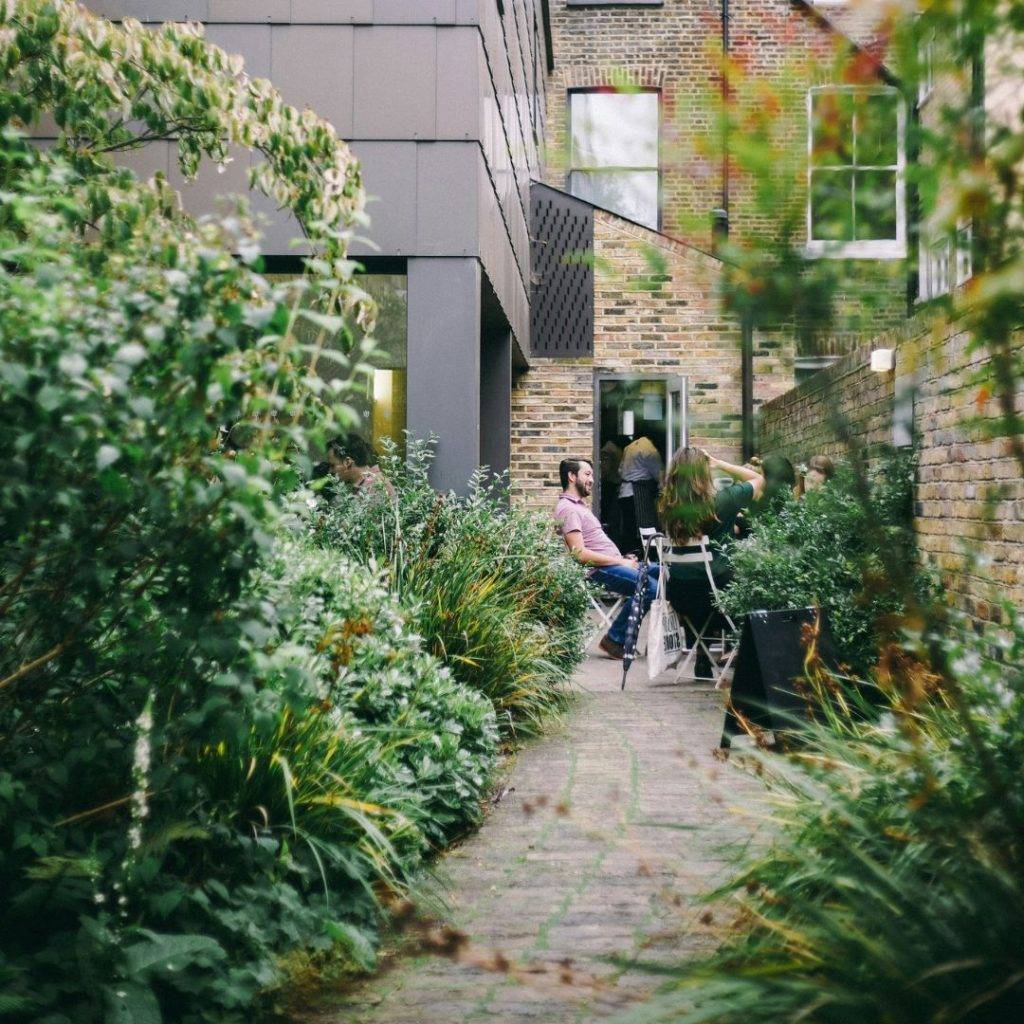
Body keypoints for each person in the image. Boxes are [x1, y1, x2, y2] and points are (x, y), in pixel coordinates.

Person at [657, 447, 764, 678]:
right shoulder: (723, 500)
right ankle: (748, 658)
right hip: (717, 595)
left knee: (699, 579)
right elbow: (758, 479)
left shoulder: (668, 508)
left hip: (680, 597)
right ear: (703, 472)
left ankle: (703, 657)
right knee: (748, 587)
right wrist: (719, 463)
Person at [554, 457, 660, 661]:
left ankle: (670, 643)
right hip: (597, 570)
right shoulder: (567, 508)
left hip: (612, 564)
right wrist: (621, 562)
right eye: (587, 474)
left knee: (667, 572)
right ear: (571, 476)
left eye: (592, 475)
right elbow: (579, 554)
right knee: (650, 586)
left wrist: (622, 558)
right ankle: (615, 639)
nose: (592, 479)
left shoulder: (581, 507)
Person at [617, 427, 664, 555]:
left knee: (628, 528)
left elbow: (620, 471)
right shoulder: (648, 448)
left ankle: (629, 554)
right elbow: (658, 472)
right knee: (644, 527)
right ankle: (646, 556)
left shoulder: (629, 447)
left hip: (624, 492)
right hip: (639, 493)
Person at [326, 433, 396, 500]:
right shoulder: (365, 484)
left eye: (332, 466)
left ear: (347, 462)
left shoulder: (374, 486)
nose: (330, 471)